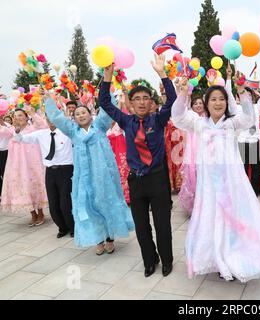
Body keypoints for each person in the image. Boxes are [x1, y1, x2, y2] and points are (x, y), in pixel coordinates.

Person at [172, 76, 260, 282]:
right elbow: (178, 117)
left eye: (221, 99)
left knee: (232, 218)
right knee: (211, 218)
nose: (218, 103)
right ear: (206, 103)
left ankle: (233, 256)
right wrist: (183, 94)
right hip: (209, 187)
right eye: (213, 99)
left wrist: (241, 92)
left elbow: (248, 116)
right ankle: (215, 257)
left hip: (232, 183)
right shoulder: (198, 123)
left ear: (227, 102)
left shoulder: (232, 123)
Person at [99, 54, 176, 278]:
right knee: (142, 228)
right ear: (131, 104)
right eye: (137, 99)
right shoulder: (126, 121)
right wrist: (107, 77)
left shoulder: (158, 120)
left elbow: (171, 100)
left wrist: (163, 74)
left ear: (151, 102)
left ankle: (167, 260)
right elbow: (104, 103)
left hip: (158, 178)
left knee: (162, 225)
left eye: (146, 98)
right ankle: (149, 260)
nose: (142, 102)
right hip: (137, 180)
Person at [44, 93, 135, 255]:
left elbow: (107, 111)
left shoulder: (100, 126)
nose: (80, 115)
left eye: (83, 112)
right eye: (77, 114)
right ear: (74, 118)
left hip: (104, 176)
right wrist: (49, 100)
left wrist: (109, 92)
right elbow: (57, 118)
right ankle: (98, 240)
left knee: (106, 204)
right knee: (89, 206)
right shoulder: (72, 131)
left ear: (90, 115)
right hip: (84, 178)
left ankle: (110, 239)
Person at [14, 116, 75, 238]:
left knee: (65, 203)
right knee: (53, 203)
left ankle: (73, 227)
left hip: (66, 170)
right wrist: (17, 131)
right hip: (50, 171)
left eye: (53, 118)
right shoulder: (41, 134)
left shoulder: (68, 132)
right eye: (48, 119)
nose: (51, 121)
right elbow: (23, 139)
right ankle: (62, 227)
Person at [0, 107, 48, 226]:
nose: (18, 118)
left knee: (35, 185)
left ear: (27, 117)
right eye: (15, 116)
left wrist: (32, 112)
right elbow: (2, 131)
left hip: (33, 164)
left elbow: (43, 125)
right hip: (17, 166)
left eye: (20, 115)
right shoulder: (11, 130)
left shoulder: (33, 128)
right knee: (22, 187)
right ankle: (33, 214)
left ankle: (41, 212)